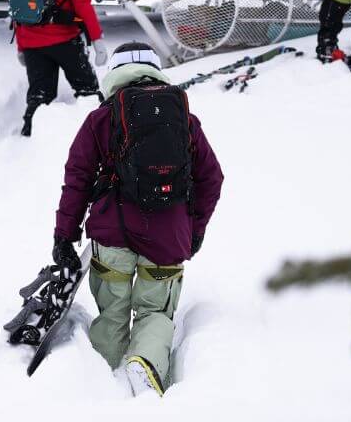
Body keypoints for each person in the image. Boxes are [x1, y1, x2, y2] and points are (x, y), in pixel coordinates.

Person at [51, 42, 223, 396]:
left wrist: (64, 236)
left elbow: (78, 178)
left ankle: (100, 376)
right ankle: (145, 364)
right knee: (155, 312)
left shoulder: (101, 118)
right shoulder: (184, 120)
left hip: (112, 235)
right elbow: (211, 177)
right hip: (168, 239)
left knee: (112, 310)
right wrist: (195, 229)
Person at [15, 0, 107, 137]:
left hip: (30, 42)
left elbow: (19, 3)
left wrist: (20, 45)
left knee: (40, 95)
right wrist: (97, 40)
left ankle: (28, 139)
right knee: (88, 90)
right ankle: (100, 135)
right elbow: (83, 4)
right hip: (64, 40)